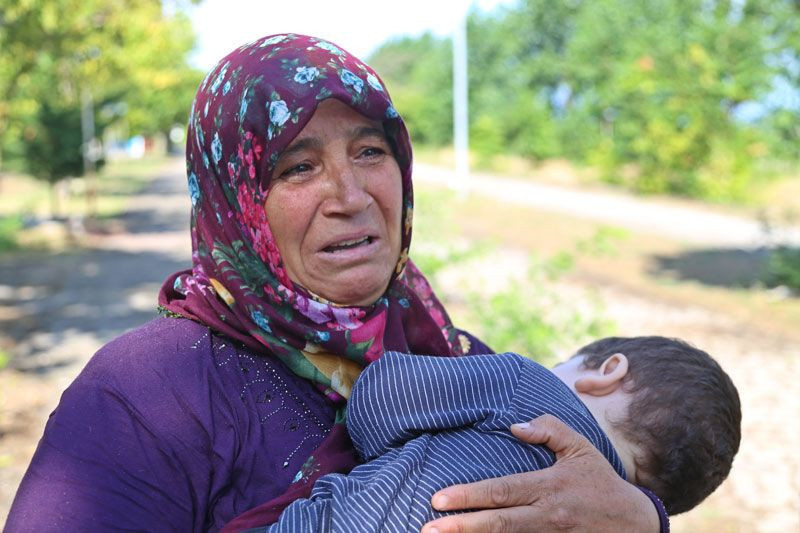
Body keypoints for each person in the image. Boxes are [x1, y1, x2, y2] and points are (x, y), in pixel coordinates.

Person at [7, 34, 663, 532]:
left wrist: (640, 515)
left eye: (370, 151)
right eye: (298, 166)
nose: (350, 195)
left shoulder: (439, 351)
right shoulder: (147, 392)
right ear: (237, 201)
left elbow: (573, 487)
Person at [225, 336, 741, 532]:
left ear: (606, 371)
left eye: (563, 360)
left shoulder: (524, 384)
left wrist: (410, 453)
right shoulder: (600, 522)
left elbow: (382, 395)